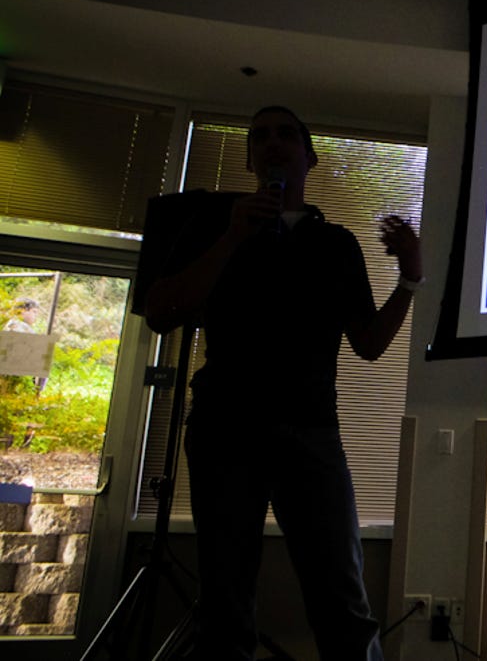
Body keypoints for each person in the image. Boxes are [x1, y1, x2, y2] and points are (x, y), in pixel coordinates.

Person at [143, 105, 422, 660]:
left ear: (309, 156)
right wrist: (229, 241)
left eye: (286, 134)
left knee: (342, 600)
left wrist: (410, 278)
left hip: (311, 432)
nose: (273, 143)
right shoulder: (213, 227)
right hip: (225, 429)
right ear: (248, 158)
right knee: (224, 604)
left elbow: (368, 344)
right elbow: (159, 311)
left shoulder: (336, 244)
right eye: (260, 136)